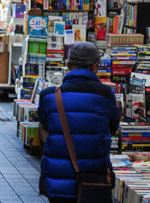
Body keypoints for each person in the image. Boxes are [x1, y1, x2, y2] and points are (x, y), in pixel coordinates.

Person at [38, 42, 120, 202]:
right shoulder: (105, 95)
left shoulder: (49, 96)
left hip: (58, 179)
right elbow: (113, 127)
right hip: (93, 179)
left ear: (68, 65)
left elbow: (47, 126)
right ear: (95, 66)